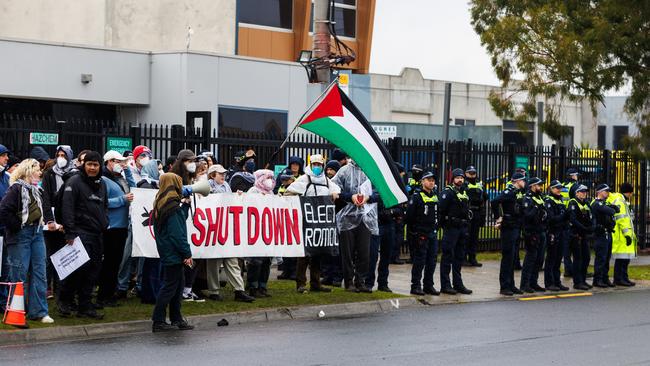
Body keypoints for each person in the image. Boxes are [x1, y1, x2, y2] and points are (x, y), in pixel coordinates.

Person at [0, 159, 53, 324]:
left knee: (40, 272)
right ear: (28, 171)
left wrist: (51, 222)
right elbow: (4, 210)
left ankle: (39, 311)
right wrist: (17, 226)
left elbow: (45, 209)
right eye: (37, 170)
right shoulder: (15, 189)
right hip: (20, 235)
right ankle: (17, 310)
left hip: (37, 233)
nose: (40, 172)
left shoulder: (39, 190)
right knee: (19, 274)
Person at [58, 151, 108, 319]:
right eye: (89, 164)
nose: (92, 168)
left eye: (95, 165)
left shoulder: (102, 184)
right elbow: (67, 208)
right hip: (79, 232)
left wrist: (104, 222)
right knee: (76, 270)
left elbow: (104, 206)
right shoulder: (74, 182)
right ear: (83, 165)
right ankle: (65, 301)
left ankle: (85, 306)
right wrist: (70, 232)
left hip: (97, 234)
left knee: (93, 272)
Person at [285, 154, 340, 293]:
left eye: (319, 165)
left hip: (321, 224)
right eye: (314, 164)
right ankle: (301, 283)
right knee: (304, 254)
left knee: (317, 253)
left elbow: (337, 190)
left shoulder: (326, 181)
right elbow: (288, 192)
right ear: (310, 164)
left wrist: (335, 194)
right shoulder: (305, 178)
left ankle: (316, 283)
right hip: (307, 221)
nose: (317, 167)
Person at [204, 164, 255, 303]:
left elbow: (229, 202)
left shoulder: (226, 185)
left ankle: (239, 290)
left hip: (226, 228)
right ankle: (214, 291)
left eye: (224, 173)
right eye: (220, 173)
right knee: (213, 262)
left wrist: (236, 197)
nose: (223, 175)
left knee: (232, 260)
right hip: (212, 229)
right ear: (212, 174)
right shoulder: (206, 185)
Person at [151, 173, 194, 332]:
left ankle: (176, 318)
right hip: (174, 253)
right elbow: (177, 234)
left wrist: (186, 205)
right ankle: (158, 320)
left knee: (177, 286)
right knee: (170, 287)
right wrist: (187, 253)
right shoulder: (172, 208)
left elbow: (178, 220)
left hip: (168, 252)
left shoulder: (162, 204)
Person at [331, 160, 379, 293]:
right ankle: (348, 282)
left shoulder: (372, 171)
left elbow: (380, 193)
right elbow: (334, 190)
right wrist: (349, 197)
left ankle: (360, 281)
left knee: (364, 252)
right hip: (347, 218)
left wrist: (368, 198)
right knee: (347, 253)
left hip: (366, 218)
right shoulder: (344, 171)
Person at [97, 151, 135, 307]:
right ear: (108, 162)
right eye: (117, 161)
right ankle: (104, 295)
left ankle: (110, 293)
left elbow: (133, 188)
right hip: (111, 226)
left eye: (121, 161)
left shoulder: (120, 178)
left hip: (121, 226)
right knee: (110, 263)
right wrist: (122, 199)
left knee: (116, 262)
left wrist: (127, 169)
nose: (120, 163)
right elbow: (103, 202)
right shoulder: (104, 180)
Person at [41, 145, 76, 300]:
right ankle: (49, 287)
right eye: (58, 154)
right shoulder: (49, 174)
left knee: (65, 255)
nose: (61, 157)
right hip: (52, 219)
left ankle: (62, 288)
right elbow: (46, 198)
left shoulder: (74, 174)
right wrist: (49, 219)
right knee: (50, 255)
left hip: (68, 218)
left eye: (64, 155)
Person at [491, 172, 526, 296]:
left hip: (515, 227)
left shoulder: (517, 192)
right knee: (507, 257)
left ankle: (511, 284)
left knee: (512, 258)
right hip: (509, 227)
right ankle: (504, 286)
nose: (524, 182)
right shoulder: (509, 192)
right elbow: (494, 202)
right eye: (523, 180)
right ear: (517, 181)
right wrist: (498, 217)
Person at [405, 170, 439, 296]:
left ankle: (428, 286)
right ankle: (415, 286)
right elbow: (409, 216)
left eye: (433, 180)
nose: (431, 182)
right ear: (422, 181)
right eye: (429, 180)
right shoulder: (416, 196)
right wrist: (414, 231)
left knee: (432, 261)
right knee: (420, 261)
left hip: (432, 233)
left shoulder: (435, 195)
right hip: (421, 234)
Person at [438, 168, 472, 295]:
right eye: (458, 178)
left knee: (459, 257)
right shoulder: (448, 192)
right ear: (453, 179)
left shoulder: (464, 192)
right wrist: (444, 225)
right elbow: (441, 209)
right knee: (447, 256)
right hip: (451, 228)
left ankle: (458, 284)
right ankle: (445, 285)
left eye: (462, 178)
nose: (460, 180)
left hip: (462, 228)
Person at [246, 169, 276, 297]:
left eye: (270, 178)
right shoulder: (253, 191)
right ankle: (253, 286)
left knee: (267, 260)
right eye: (266, 177)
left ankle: (263, 286)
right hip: (256, 230)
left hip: (268, 230)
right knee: (256, 260)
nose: (269, 180)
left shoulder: (271, 192)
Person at [519, 177, 548, 293]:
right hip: (531, 232)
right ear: (532, 186)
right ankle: (524, 284)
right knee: (530, 258)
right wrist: (536, 208)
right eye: (538, 185)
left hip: (541, 231)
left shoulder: (540, 197)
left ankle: (533, 282)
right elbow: (527, 216)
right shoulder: (528, 199)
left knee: (539, 259)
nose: (541, 187)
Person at [543, 180, 570, 291]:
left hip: (562, 232)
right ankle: (549, 283)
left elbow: (563, 217)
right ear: (551, 189)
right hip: (553, 232)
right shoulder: (549, 201)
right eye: (556, 188)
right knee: (551, 258)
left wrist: (565, 218)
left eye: (560, 188)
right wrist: (564, 216)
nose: (559, 190)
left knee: (559, 258)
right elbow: (552, 219)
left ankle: (557, 282)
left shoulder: (560, 200)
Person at [609, 183, 637, 286]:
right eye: (631, 193)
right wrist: (627, 234)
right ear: (629, 192)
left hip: (625, 234)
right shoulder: (620, 201)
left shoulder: (623, 201)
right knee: (621, 259)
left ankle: (624, 278)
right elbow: (621, 219)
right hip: (622, 235)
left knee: (625, 259)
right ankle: (619, 279)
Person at [591, 184, 618, 288]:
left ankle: (605, 278)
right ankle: (597, 280)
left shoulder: (604, 203)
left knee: (607, 258)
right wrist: (612, 208)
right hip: (600, 234)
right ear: (600, 192)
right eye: (606, 191)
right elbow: (611, 211)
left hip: (608, 233)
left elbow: (615, 210)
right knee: (601, 258)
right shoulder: (596, 203)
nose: (608, 193)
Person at [568, 185, 594, 290]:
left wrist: (591, 226)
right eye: (582, 192)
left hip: (584, 235)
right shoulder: (573, 203)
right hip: (576, 235)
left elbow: (591, 216)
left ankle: (583, 280)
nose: (584, 193)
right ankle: (577, 282)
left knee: (586, 258)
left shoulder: (586, 203)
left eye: (585, 192)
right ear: (576, 193)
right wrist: (584, 228)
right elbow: (573, 220)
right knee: (578, 259)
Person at [463, 165, 487, 267]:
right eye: (470, 173)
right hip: (468, 212)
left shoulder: (479, 184)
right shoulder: (464, 184)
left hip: (477, 212)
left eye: (474, 173)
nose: (472, 175)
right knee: (466, 236)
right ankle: (463, 258)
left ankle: (472, 258)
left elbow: (485, 196)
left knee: (474, 237)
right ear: (466, 174)